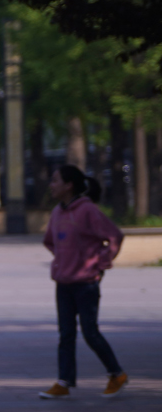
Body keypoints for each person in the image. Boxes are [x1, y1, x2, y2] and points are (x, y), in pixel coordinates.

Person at [39, 164, 129, 399]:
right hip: (63, 282)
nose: (51, 185)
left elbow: (115, 236)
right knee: (66, 334)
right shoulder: (57, 212)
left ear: (69, 185)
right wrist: (63, 260)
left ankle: (116, 374)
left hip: (86, 283)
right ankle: (64, 382)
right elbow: (49, 240)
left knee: (90, 332)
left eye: (55, 180)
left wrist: (99, 263)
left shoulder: (88, 210)